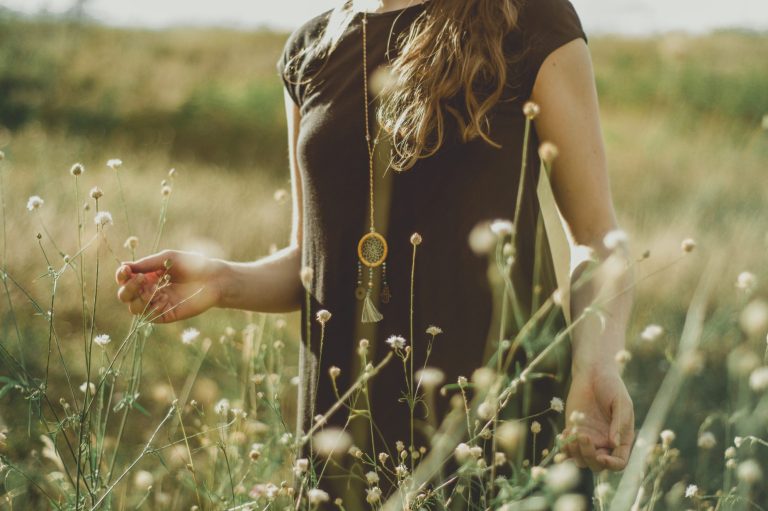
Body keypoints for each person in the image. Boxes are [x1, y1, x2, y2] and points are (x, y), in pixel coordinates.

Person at [115, 0, 635, 508]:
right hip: (344, 431)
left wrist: (596, 365)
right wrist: (222, 281)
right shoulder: (309, 50)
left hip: (497, 424)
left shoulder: (529, 19)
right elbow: (313, 262)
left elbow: (596, 236)